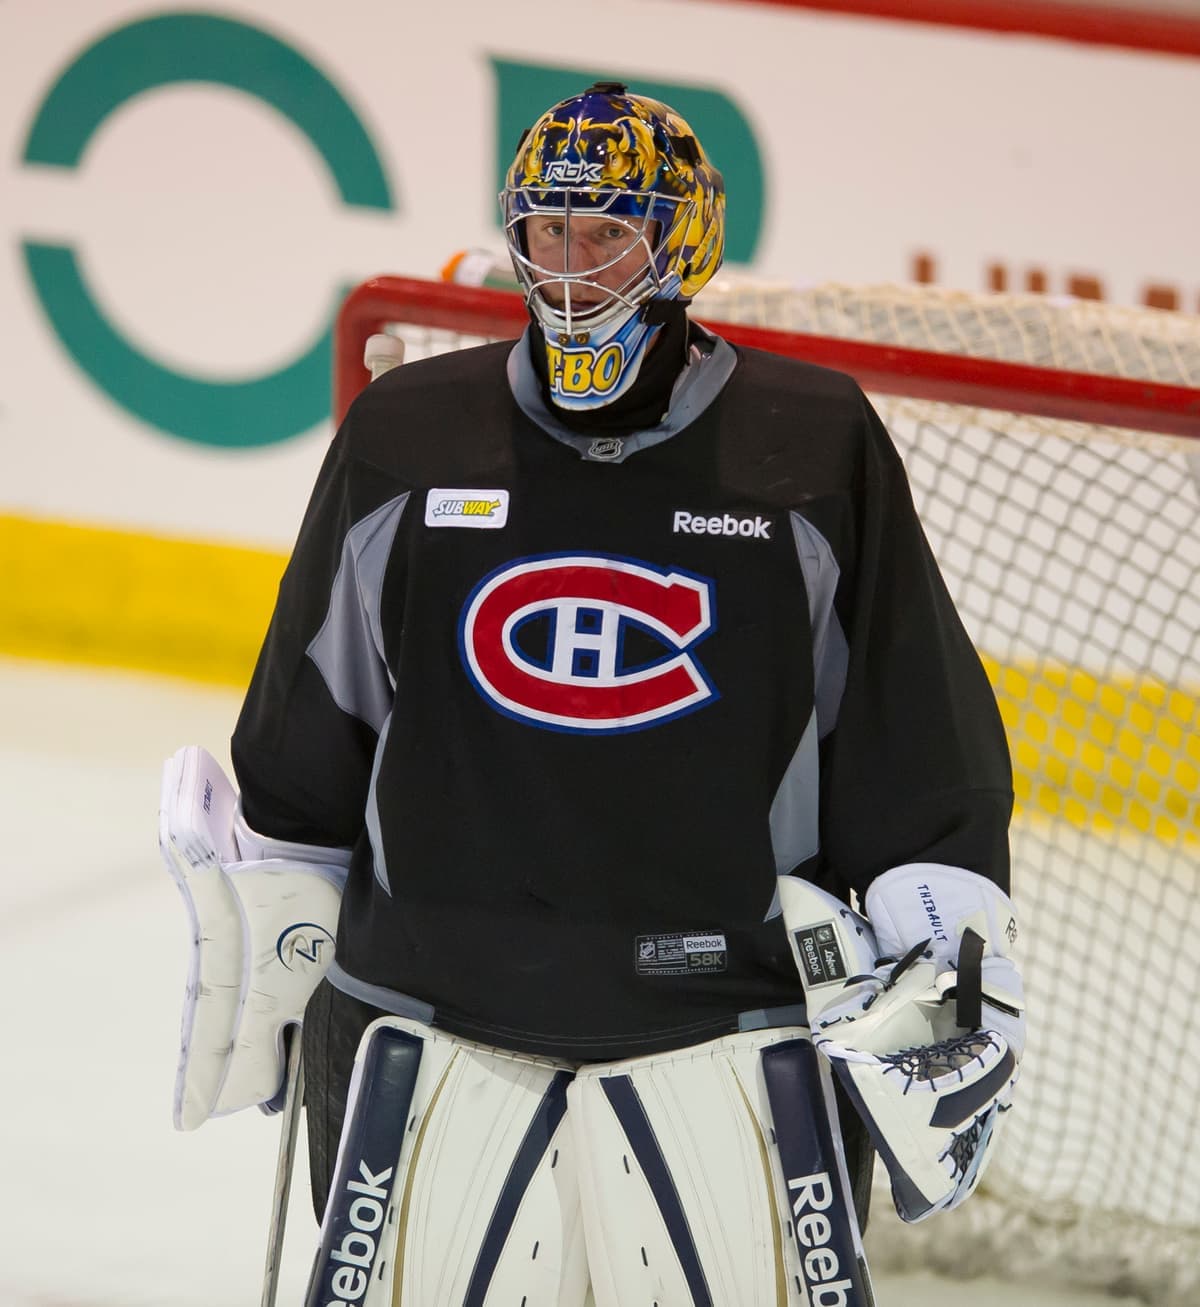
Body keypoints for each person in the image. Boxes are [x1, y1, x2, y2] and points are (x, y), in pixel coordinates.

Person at [161, 84, 1024, 1305]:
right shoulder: (410, 434)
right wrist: (278, 941)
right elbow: (314, 727)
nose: (571, 269)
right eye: (549, 234)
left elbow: (909, 732)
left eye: (608, 234)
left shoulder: (810, 448)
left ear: (681, 245)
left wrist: (945, 944)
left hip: (730, 1031)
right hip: (434, 1016)